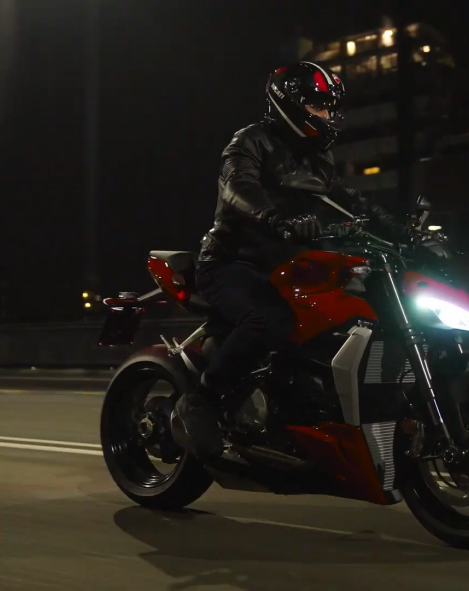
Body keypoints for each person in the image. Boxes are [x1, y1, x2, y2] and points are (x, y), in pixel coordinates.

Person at [171, 61, 409, 460]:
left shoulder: (318, 159)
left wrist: (402, 234)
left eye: (330, 107)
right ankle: (201, 401)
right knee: (270, 319)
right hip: (231, 263)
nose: (327, 115)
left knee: (347, 314)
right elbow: (238, 187)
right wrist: (275, 218)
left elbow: (352, 200)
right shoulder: (251, 141)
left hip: (285, 267)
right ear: (290, 103)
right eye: (318, 105)